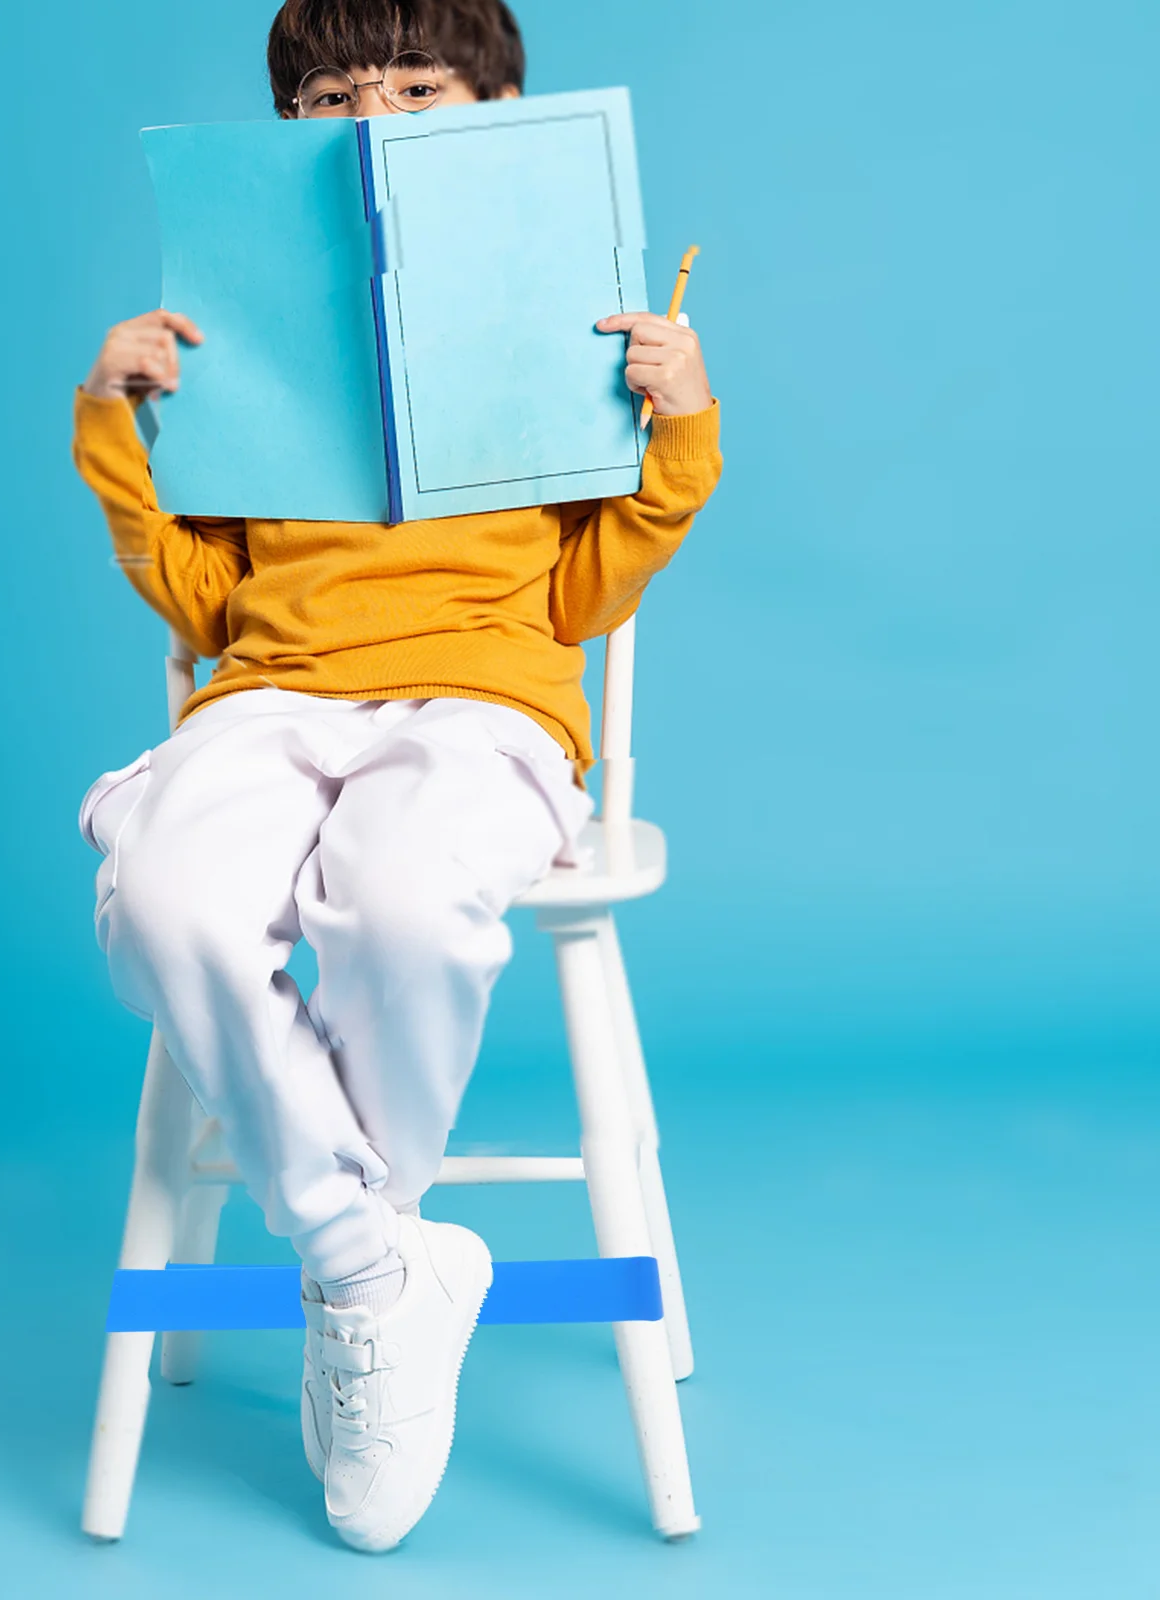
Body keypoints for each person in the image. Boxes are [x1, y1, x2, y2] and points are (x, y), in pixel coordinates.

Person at [73, 0, 721, 1552]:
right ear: (293, 126)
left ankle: (354, 1265)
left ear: (494, 106)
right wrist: (115, 416)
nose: (380, 110)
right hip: (272, 689)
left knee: (412, 898)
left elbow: (586, 595)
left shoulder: (552, 313)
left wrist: (679, 425)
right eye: (337, 91)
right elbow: (203, 601)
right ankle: (374, 1264)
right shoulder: (247, 323)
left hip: (486, 698)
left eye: (424, 84)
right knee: (162, 896)